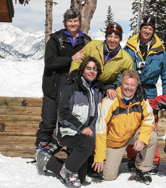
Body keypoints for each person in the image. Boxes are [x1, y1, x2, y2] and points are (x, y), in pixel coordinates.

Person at [36, 57, 105, 188]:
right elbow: (62, 114)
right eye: (88, 68)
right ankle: (68, 170)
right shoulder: (72, 89)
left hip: (86, 135)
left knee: (82, 177)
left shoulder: (98, 90)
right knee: (87, 144)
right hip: (69, 131)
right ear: (82, 70)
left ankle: (47, 160)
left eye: (95, 69)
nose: (92, 71)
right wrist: (81, 127)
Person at [35, 8, 92, 151]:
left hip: (74, 88)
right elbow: (49, 61)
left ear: (80, 22)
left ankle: (71, 155)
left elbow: (91, 63)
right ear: (65, 22)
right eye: (70, 21)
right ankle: (41, 149)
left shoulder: (86, 41)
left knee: (70, 124)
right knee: (48, 122)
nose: (73, 24)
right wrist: (71, 59)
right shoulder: (56, 39)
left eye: (75, 21)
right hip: (53, 86)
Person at [124, 16, 166, 173]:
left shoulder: (161, 51)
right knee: (132, 125)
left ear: (153, 31)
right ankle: (133, 157)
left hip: (150, 92)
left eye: (150, 28)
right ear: (140, 29)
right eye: (145, 27)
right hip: (131, 90)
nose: (147, 30)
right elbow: (121, 71)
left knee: (150, 126)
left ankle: (152, 159)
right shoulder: (129, 48)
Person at [92, 70, 158, 185]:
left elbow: (148, 120)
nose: (129, 88)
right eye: (126, 84)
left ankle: (142, 169)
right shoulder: (111, 100)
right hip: (114, 142)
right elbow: (101, 130)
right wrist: (99, 157)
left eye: (132, 85)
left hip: (131, 134)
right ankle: (94, 162)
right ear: (121, 84)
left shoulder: (141, 99)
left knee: (152, 136)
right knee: (108, 176)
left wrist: (141, 139)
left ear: (137, 86)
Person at [69, 22, 134, 99]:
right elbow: (78, 59)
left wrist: (135, 86)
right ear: (106, 37)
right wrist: (74, 72)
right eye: (110, 36)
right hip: (86, 83)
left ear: (120, 39)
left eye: (116, 37)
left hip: (106, 89)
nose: (112, 40)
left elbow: (129, 77)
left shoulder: (125, 58)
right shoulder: (93, 45)